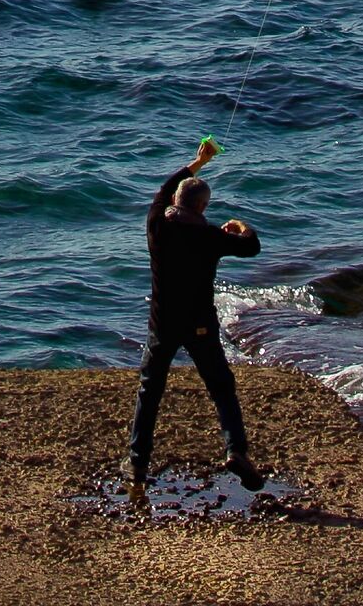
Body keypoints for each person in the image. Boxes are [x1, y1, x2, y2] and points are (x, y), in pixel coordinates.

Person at [125, 138, 264, 493]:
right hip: (200, 324)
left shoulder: (156, 223)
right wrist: (239, 227)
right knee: (221, 387)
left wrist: (198, 162)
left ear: (175, 202)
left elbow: (164, 188)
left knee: (150, 389)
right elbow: (252, 247)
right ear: (203, 207)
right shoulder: (211, 236)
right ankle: (236, 450)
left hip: (163, 324)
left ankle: (138, 462)